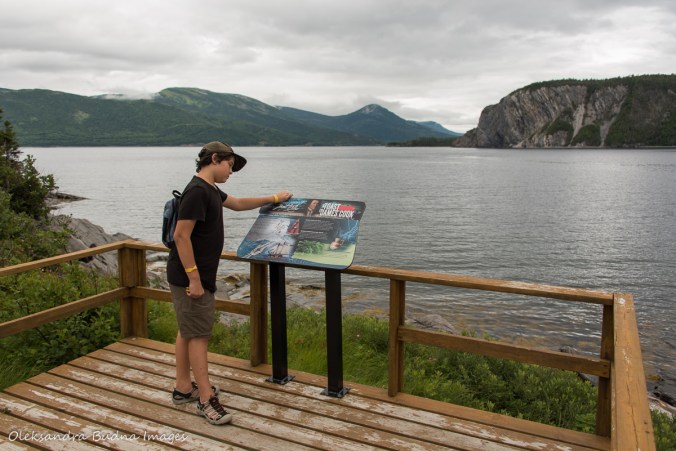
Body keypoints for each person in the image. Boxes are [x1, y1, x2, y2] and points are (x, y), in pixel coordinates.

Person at [166, 141, 292, 425]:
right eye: (229, 166)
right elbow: (181, 236)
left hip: (187, 274)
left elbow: (235, 203)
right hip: (191, 276)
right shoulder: (197, 191)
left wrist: (273, 198)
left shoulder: (208, 189)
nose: (231, 172)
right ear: (214, 159)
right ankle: (206, 399)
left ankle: (183, 387)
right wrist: (195, 278)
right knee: (198, 335)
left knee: (187, 330)